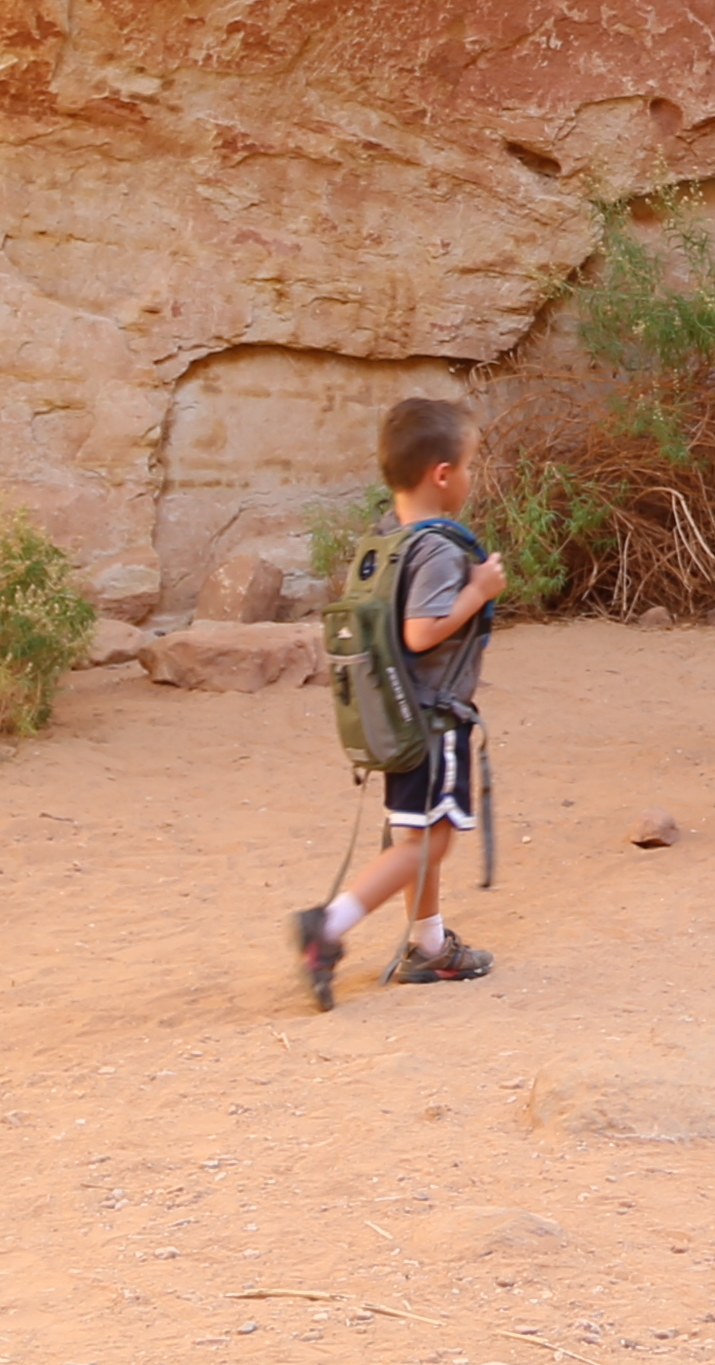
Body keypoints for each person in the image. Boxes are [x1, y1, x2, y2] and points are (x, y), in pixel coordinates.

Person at [293, 395, 500, 1003]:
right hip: (433, 723)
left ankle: (430, 947)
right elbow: (421, 630)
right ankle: (326, 927)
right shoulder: (437, 548)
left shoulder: (387, 539)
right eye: (468, 465)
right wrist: (479, 589)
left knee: (417, 835)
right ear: (442, 475)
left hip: (396, 715)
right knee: (430, 841)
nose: (470, 477)